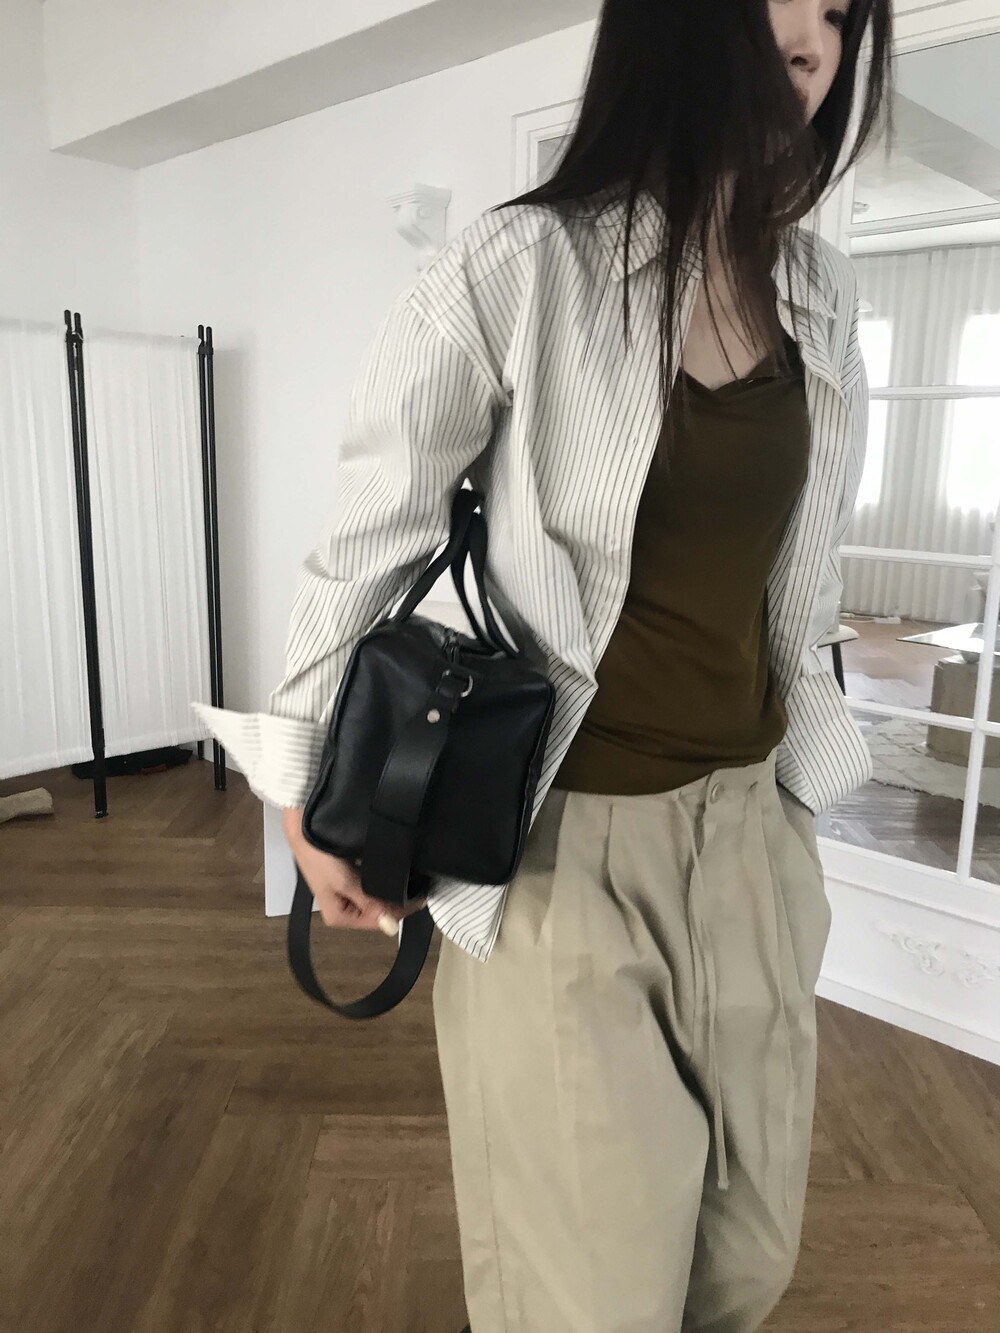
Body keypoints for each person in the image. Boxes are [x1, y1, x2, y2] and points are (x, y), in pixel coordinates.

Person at [194, 1, 894, 1328]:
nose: (816, 39)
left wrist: (798, 811)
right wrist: (304, 789)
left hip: (753, 844)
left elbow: (804, 580)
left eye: (843, 11)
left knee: (745, 1264)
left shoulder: (821, 291)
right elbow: (371, 533)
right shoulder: (522, 267)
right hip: (565, 855)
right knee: (591, 1301)